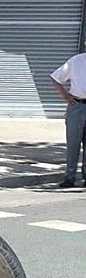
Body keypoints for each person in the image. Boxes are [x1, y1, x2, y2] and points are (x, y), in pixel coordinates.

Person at [50, 51, 86, 188]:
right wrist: (66, 96)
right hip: (77, 105)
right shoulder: (76, 61)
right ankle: (69, 177)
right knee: (73, 143)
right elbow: (55, 78)